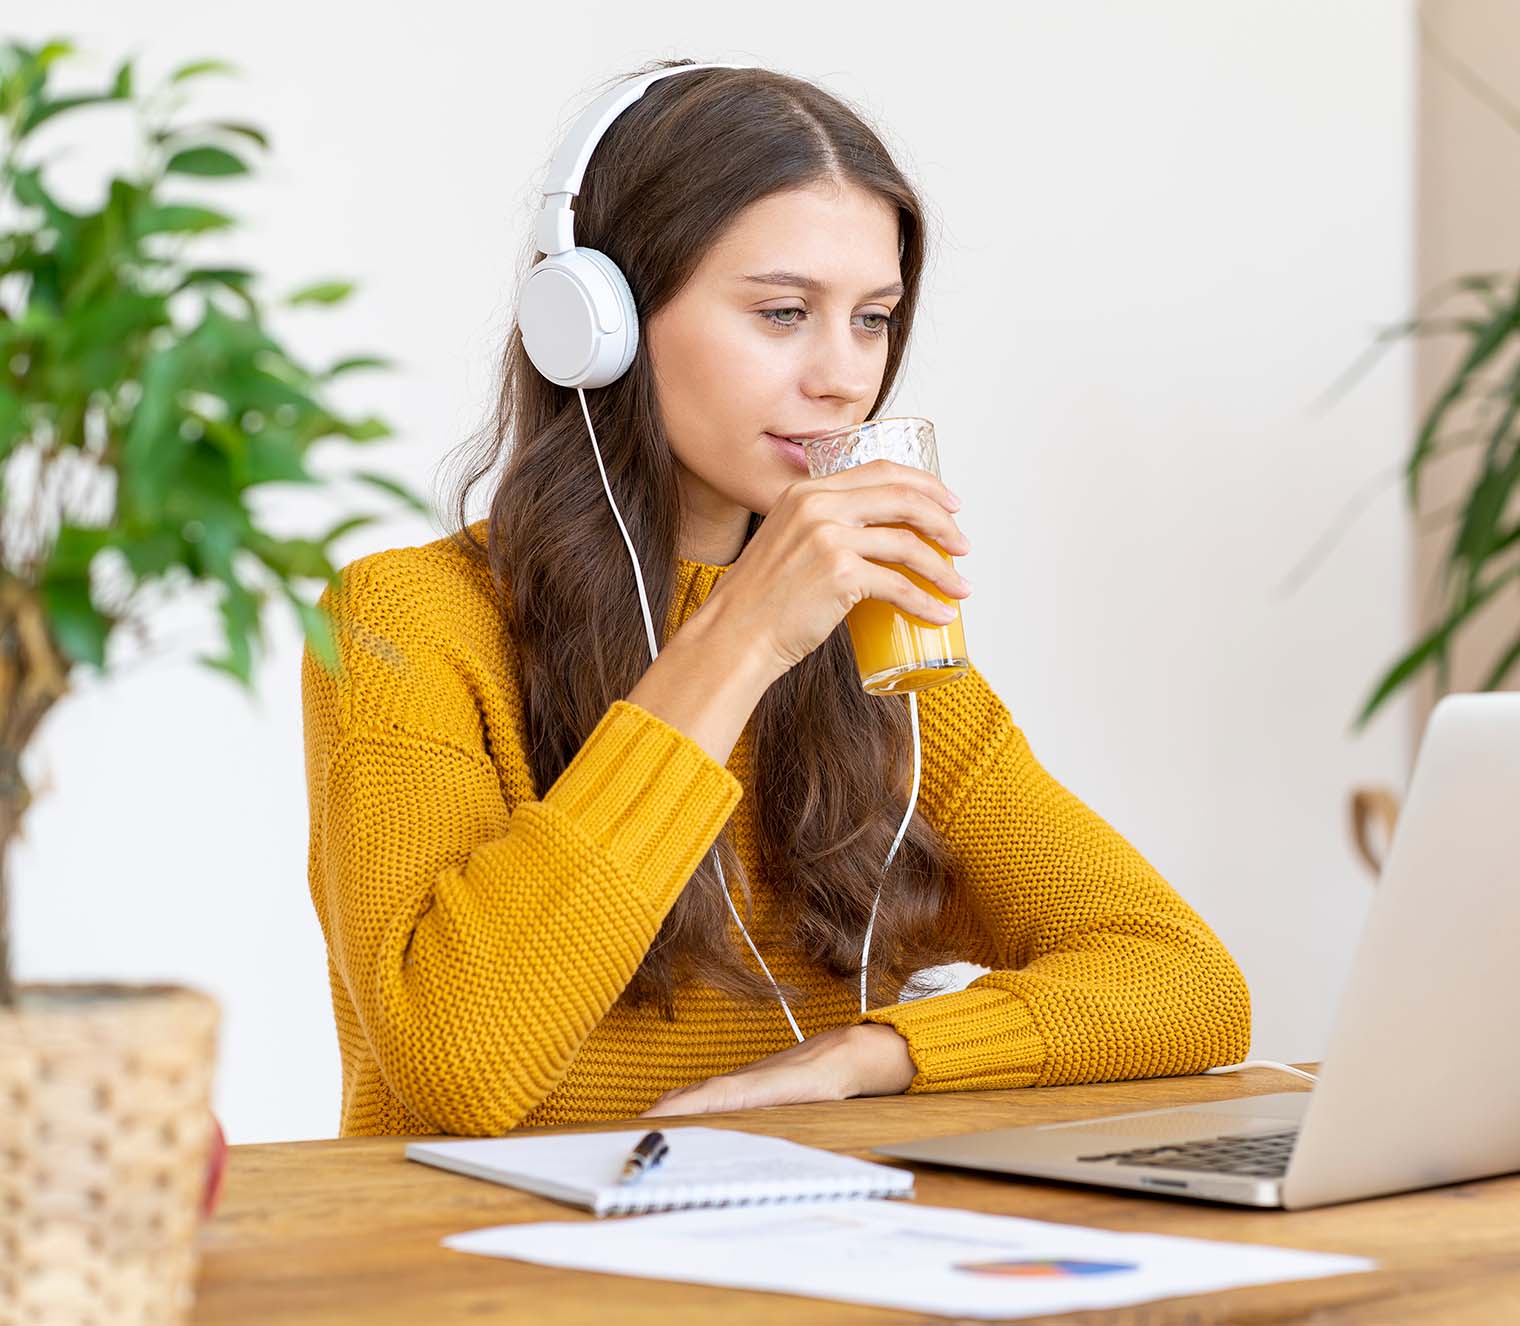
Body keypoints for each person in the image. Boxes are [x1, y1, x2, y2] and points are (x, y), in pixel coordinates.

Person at [301, 59, 1250, 1138]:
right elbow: (458, 1065)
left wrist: (879, 1053)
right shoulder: (403, 623)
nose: (844, 376)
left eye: (872, 319)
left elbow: (1186, 982)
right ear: (597, 321)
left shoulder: (879, 650)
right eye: (785, 312)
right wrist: (742, 638)